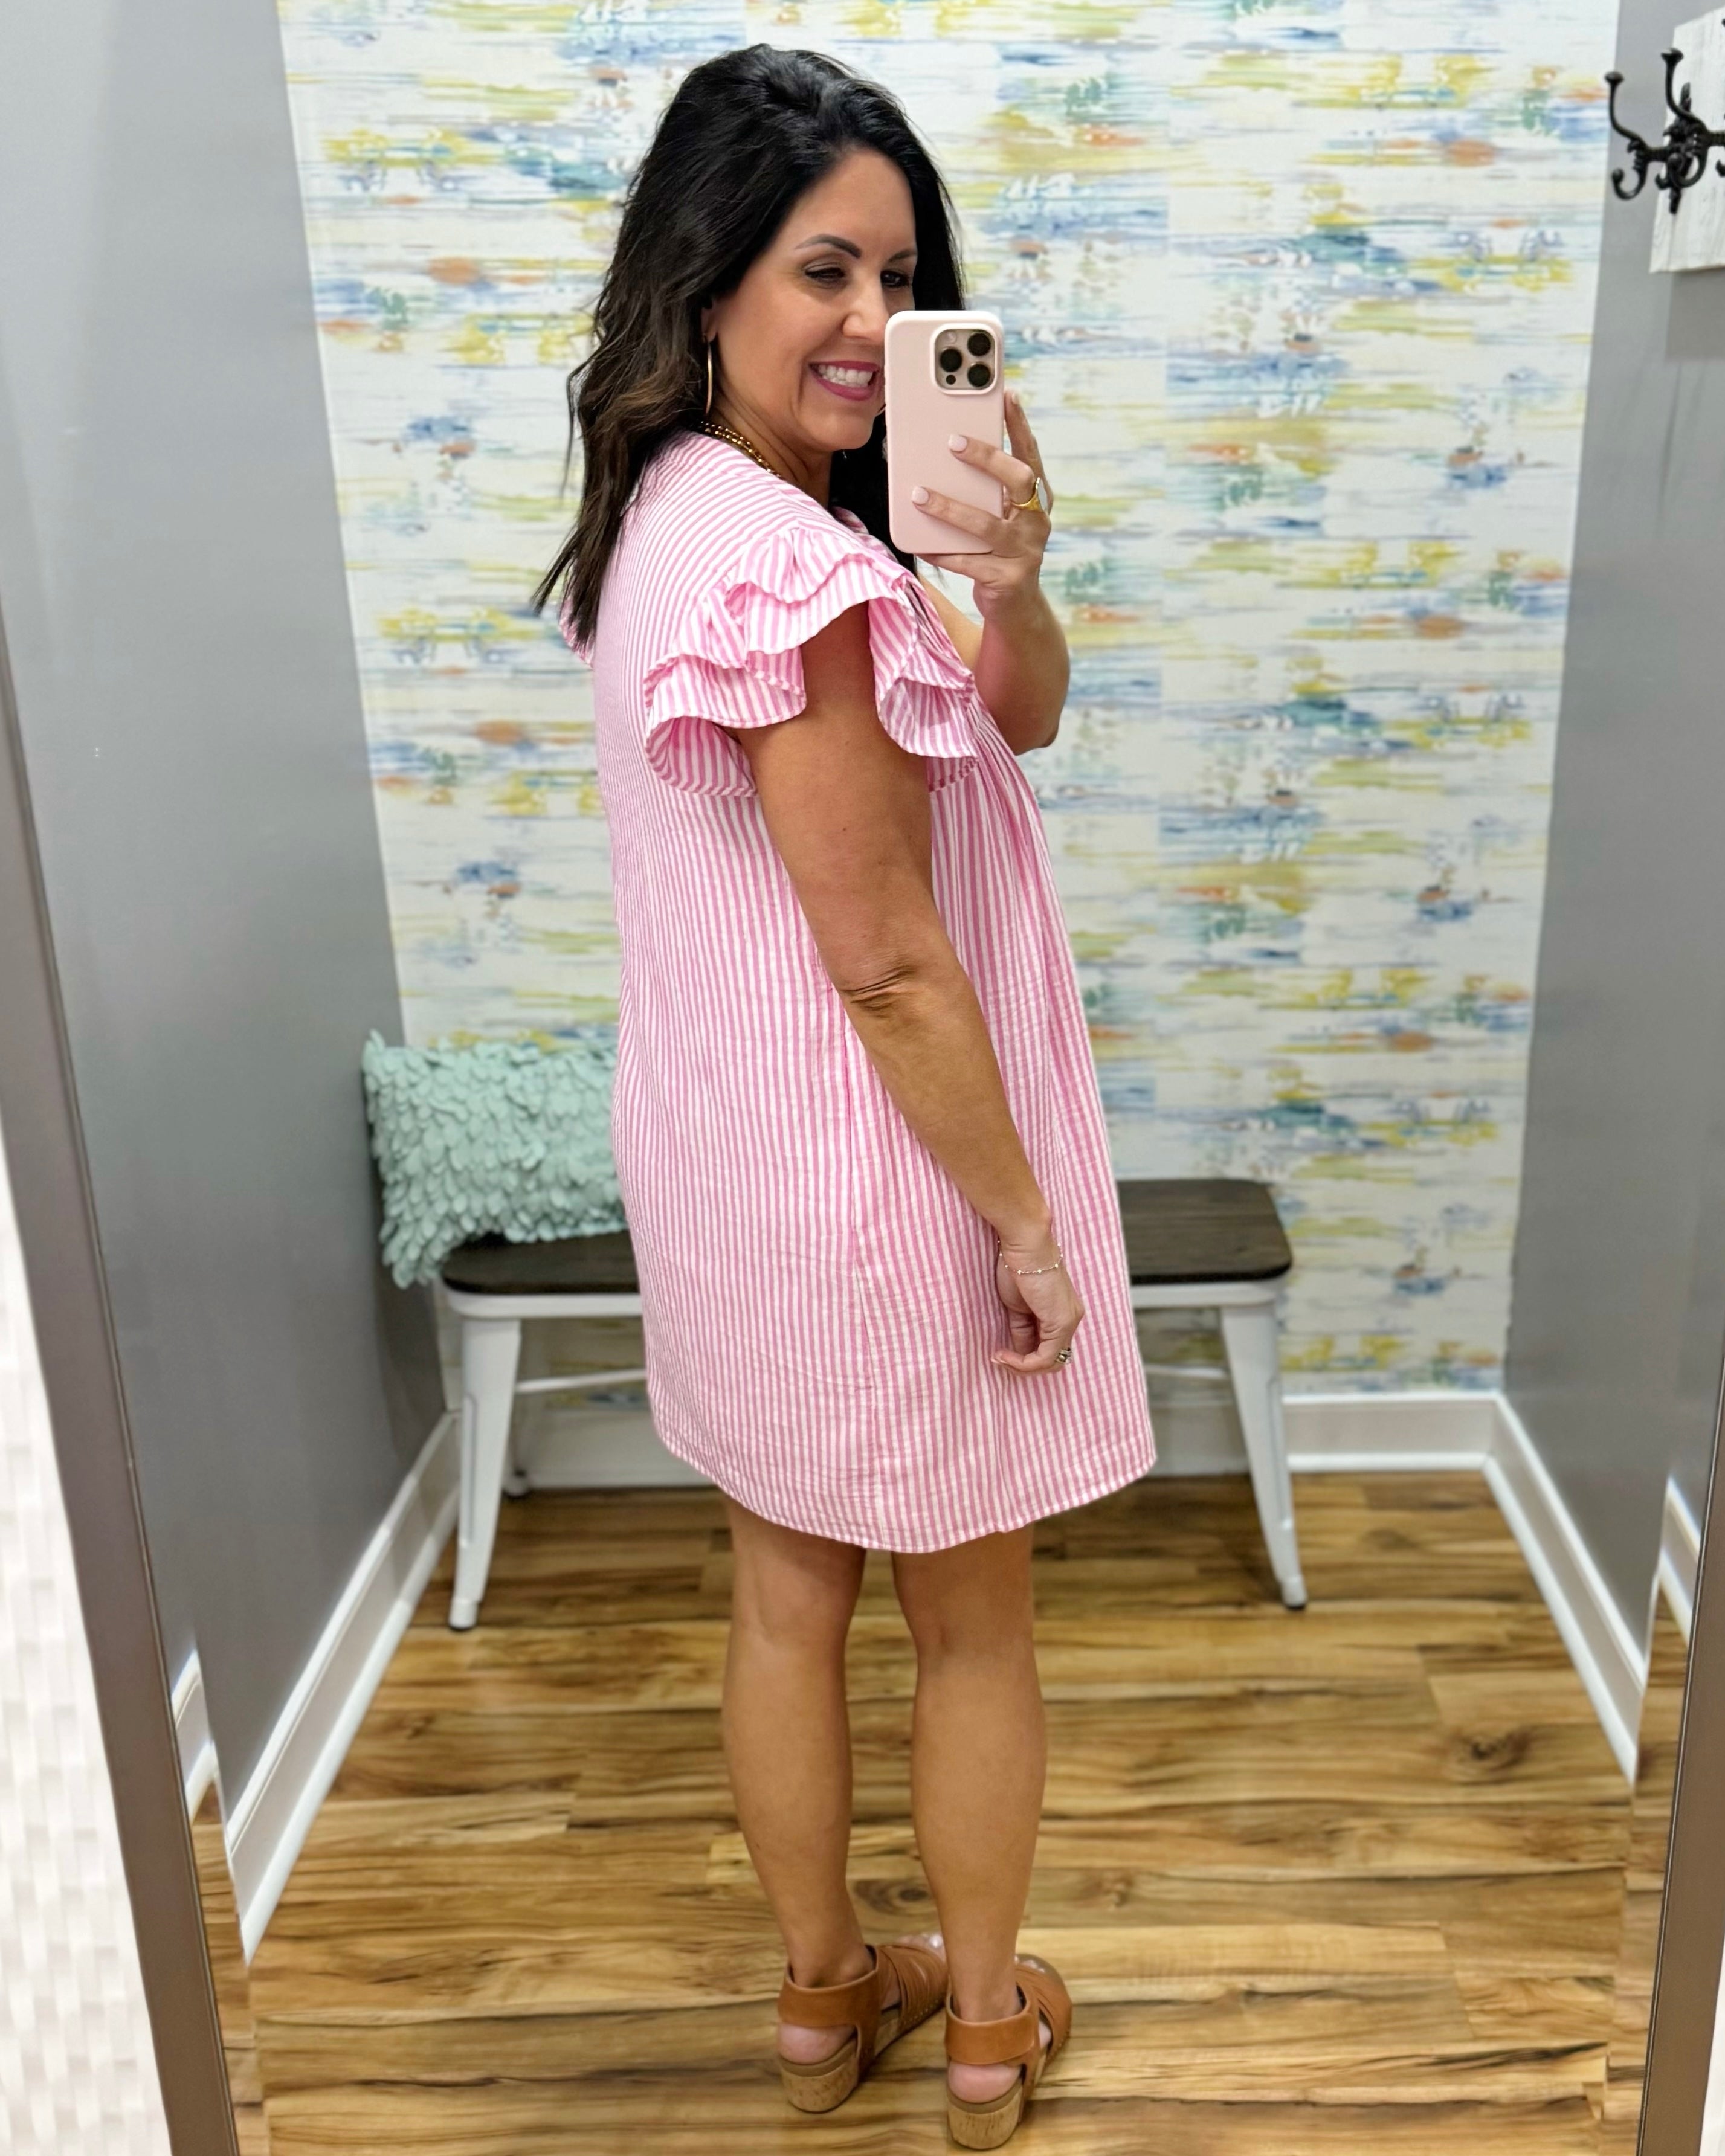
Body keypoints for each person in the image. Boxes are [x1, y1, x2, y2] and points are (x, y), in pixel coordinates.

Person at [534, 43, 1154, 2147]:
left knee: (783, 1596)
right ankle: (983, 2029)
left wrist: (1015, 578)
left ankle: (823, 2008)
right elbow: (889, 956)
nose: (876, 327)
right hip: (882, 1172)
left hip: (726, 1166)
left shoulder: (679, 527)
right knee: (968, 1618)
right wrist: (1027, 1218)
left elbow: (1021, 724)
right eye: (825, 270)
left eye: (904, 277)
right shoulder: (794, 575)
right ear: (709, 279)